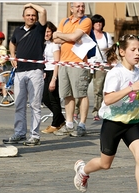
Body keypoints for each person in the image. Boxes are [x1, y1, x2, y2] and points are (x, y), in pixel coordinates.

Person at [73, 34, 139, 193]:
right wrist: (131, 88)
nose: (137, 53)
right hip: (113, 123)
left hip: (132, 122)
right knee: (105, 164)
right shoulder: (115, 73)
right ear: (122, 51)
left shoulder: (136, 71)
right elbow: (109, 98)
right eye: (133, 50)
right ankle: (83, 170)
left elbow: (132, 93)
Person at [3, 3, 47, 146]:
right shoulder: (17, 30)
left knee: (34, 105)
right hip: (20, 71)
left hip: (35, 70)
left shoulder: (39, 29)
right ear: (23, 17)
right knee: (19, 104)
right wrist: (13, 56)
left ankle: (34, 135)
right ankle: (19, 133)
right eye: (28, 15)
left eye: (33, 15)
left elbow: (44, 11)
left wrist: (31, 4)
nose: (31, 17)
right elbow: (12, 43)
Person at [53, 2, 92, 137]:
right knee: (67, 94)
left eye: (82, 6)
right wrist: (70, 37)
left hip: (78, 63)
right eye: (78, 6)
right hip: (64, 62)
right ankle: (69, 124)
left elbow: (73, 37)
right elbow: (54, 38)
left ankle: (81, 125)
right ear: (71, 8)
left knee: (81, 94)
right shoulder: (64, 21)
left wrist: (64, 36)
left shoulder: (86, 21)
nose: (80, 9)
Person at [41, 21, 66, 134]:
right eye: (45, 31)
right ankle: (60, 119)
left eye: (48, 31)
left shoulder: (55, 44)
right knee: (45, 98)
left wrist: (54, 79)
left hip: (54, 73)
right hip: (46, 71)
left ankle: (56, 123)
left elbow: (57, 62)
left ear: (52, 32)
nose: (46, 34)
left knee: (53, 99)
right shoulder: (45, 44)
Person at [88, 14, 114, 121]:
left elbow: (111, 52)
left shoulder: (106, 36)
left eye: (100, 22)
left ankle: (96, 111)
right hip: (88, 64)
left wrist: (109, 63)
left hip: (101, 65)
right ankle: (76, 110)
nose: (98, 24)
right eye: (96, 22)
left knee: (98, 90)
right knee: (81, 87)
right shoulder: (88, 35)